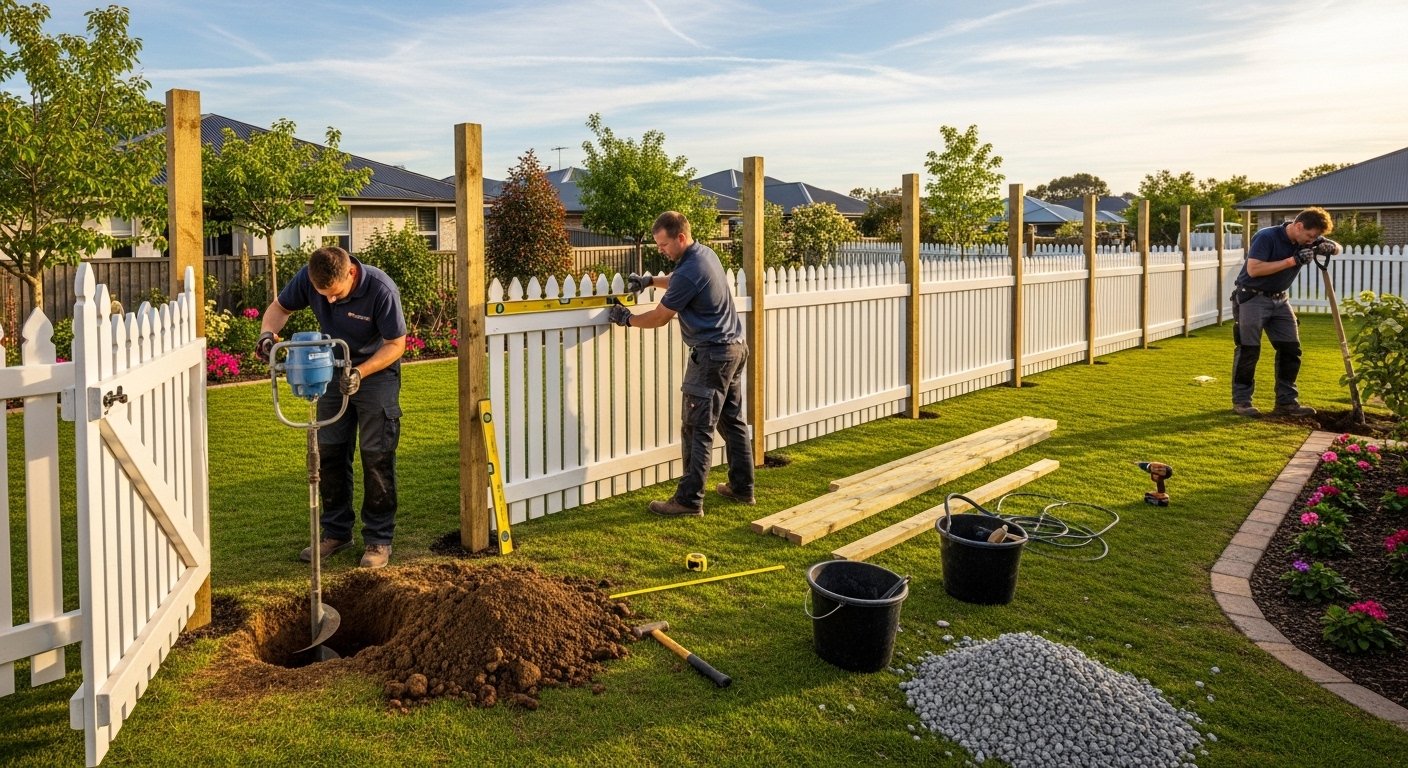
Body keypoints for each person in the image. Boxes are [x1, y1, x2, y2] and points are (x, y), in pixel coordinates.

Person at [257, 246, 407, 567]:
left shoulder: (381, 289)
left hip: (375, 372)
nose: (330, 301)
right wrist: (267, 335)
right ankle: (337, 532)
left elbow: (397, 344)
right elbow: (279, 307)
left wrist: (360, 372)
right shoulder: (310, 279)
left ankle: (378, 539)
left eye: (335, 294)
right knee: (330, 453)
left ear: (351, 272)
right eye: (322, 295)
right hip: (331, 369)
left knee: (376, 455)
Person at [607, 211, 754, 517]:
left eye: (663, 244)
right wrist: (650, 281)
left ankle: (688, 501)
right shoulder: (704, 255)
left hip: (712, 356)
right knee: (732, 422)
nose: (660, 249)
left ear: (681, 238)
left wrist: (628, 319)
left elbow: (660, 318)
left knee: (697, 427)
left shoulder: (690, 269)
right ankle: (742, 488)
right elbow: (676, 280)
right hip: (734, 349)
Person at [1230, 207, 1339, 418]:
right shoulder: (1267, 236)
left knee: (1291, 350)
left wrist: (1331, 247)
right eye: (1310, 236)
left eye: (1316, 237)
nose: (1312, 241)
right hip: (1252, 298)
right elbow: (1254, 269)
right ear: (1299, 226)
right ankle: (1242, 401)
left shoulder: (1306, 239)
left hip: (1280, 300)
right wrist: (1293, 261)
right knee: (1248, 350)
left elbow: (1339, 248)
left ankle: (1286, 402)